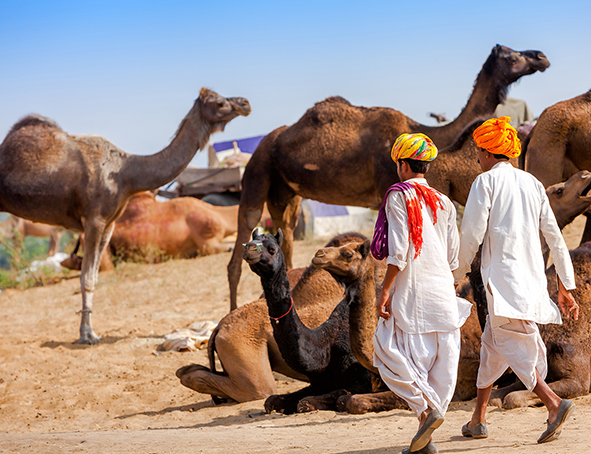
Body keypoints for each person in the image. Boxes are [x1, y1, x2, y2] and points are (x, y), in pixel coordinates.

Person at [454, 116, 579, 444]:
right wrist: (565, 285)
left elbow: (471, 235)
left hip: (501, 282)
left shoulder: (485, 183)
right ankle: (478, 419)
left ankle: (553, 403)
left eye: (478, 151)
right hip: (530, 280)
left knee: (509, 341)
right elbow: (554, 236)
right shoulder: (533, 184)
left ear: (486, 151)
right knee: (492, 346)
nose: (477, 157)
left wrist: (454, 274)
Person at [372, 133, 472, 454]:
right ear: (426, 166)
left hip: (411, 291)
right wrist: (450, 284)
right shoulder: (443, 201)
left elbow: (399, 251)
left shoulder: (399, 196)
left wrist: (384, 291)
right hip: (442, 289)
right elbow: (453, 256)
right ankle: (426, 441)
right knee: (438, 364)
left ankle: (427, 410)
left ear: (402, 165)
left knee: (387, 351)